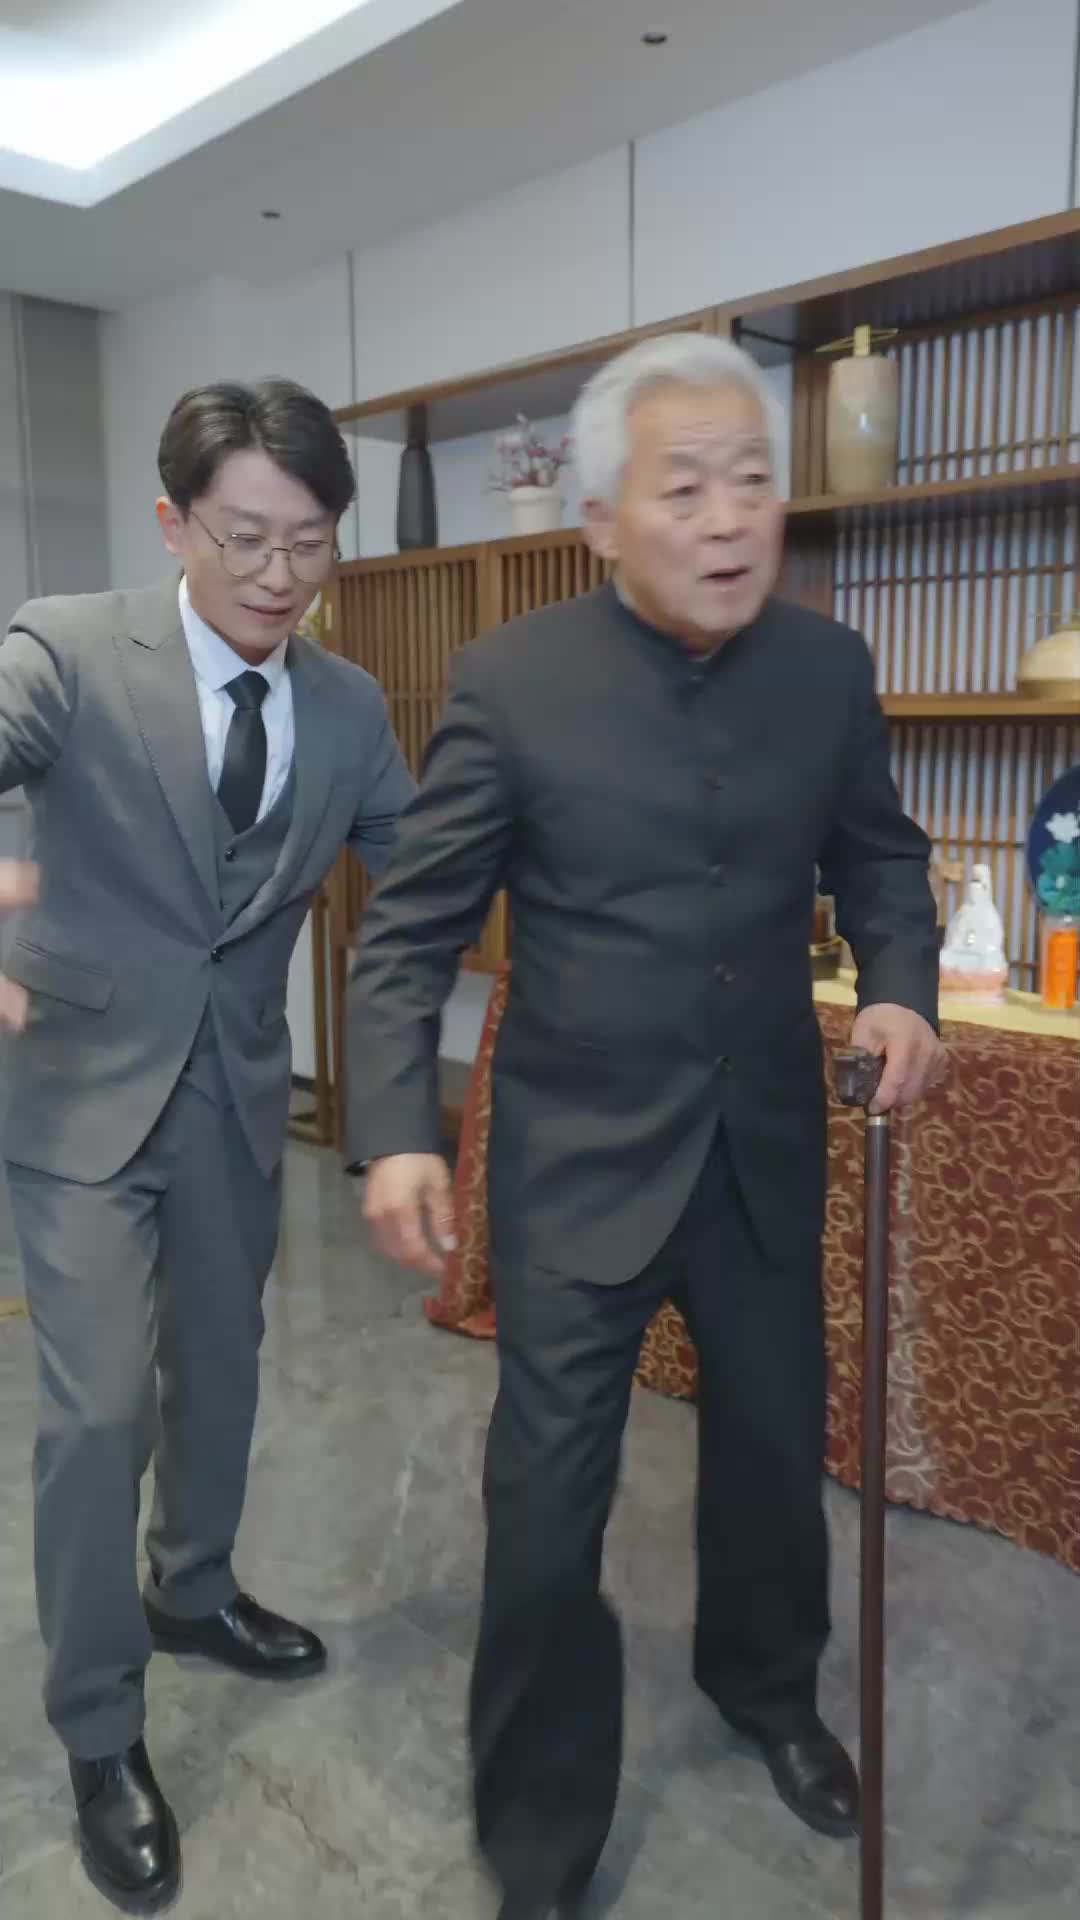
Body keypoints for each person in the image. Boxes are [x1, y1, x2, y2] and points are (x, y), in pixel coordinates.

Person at [348, 333, 946, 1920]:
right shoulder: (514, 681)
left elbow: (882, 860)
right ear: (603, 518)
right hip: (578, 1165)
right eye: (685, 488)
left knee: (773, 1465)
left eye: (753, 479)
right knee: (547, 1509)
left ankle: (768, 1690)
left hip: (762, 1148)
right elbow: (408, 934)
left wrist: (902, 989)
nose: (730, 516)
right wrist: (399, 1128)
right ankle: (540, 1836)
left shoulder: (828, 669)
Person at [0, 378, 415, 1914]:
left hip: (236, 1096)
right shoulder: (67, 650)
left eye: (309, 541)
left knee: (223, 1374)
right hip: (78, 1095)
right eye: (244, 536)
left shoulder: (350, 709)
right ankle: (100, 1729)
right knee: (101, 1407)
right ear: (173, 524)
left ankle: (191, 1589)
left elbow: (428, 871)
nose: (277, 575)